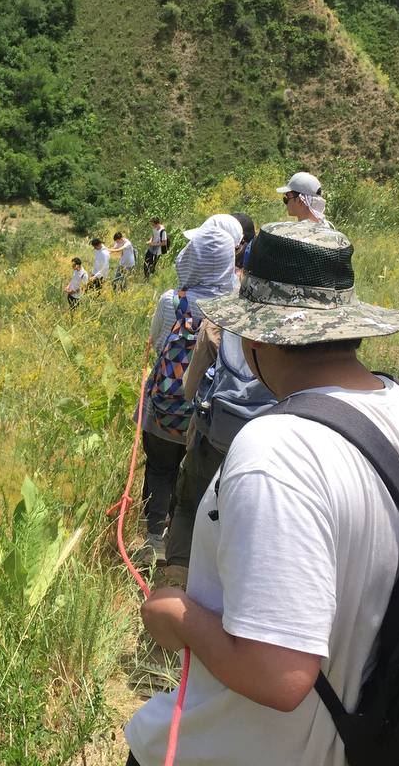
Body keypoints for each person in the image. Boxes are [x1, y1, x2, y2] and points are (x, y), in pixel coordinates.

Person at [125, 221, 399, 766]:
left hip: (243, 747)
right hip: (367, 737)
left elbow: (278, 674)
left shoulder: (275, 449)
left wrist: (176, 615)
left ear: (255, 338)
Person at [162, 215, 276, 576]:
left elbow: (190, 388)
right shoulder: (309, 333)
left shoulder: (221, 318)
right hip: (272, 451)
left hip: (216, 436)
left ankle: (175, 581)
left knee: (188, 505)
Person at [138, 225, 238, 565]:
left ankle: (154, 540)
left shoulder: (172, 301)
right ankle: (190, 552)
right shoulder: (235, 306)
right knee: (196, 479)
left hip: (164, 409)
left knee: (160, 469)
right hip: (207, 414)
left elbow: (154, 341)